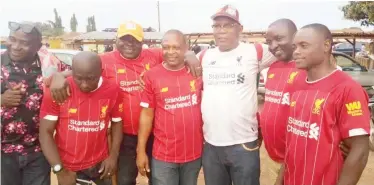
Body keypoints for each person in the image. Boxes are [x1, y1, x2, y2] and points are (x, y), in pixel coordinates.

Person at [48, 21, 200, 185]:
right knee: (124, 180)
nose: (130, 44)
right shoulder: (104, 60)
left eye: (135, 40)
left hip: (155, 134)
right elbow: (80, 70)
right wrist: (59, 76)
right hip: (123, 136)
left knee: (158, 178)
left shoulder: (154, 55)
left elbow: (176, 48)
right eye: (124, 39)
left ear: (143, 42)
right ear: (116, 40)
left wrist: (190, 55)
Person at [278, 23, 370, 185]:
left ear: (326, 45)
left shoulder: (347, 89)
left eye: (303, 46)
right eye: (295, 47)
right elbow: (293, 141)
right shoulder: (296, 82)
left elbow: (359, 150)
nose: (296, 52)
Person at [199, 5, 276, 185]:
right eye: (217, 26)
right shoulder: (204, 56)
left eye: (228, 25)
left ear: (240, 29)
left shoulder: (255, 52)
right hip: (211, 145)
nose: (221, 31)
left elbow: (288, 51)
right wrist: (188, 54)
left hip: (244, 144)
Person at [39, 51, 123, 185]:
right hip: (68, 168)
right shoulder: (58, 91)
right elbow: (45, 134)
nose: (84, 84)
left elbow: (117, 123)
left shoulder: (112, 90)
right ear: (73, 72)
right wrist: (59, 170)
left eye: (91, 79)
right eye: (79, 78)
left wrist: (113, 157)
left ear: (101, 72)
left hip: (100, 164)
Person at [0, 21, 66, 185]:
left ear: (38, 46)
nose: (15, 46)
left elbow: (80, 70)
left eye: (24, 43)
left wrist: (60, 76)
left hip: (37, 151)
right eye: (12, 39)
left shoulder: (48, 63)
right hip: (3, 153)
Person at [136, 30, 203, 185]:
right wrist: (141, 151)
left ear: (186, 48)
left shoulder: (197, 72)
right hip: (163, 156)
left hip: (193, 153)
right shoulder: (151, 76)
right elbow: (146, 115)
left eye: (176, 47)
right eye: (166, 47)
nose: (171, 52)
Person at [260, 19, 303, 164]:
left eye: (279, 39)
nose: (273, 46)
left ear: (296, 36)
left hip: (298, 158)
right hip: (273, 157)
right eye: (268, 42)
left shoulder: (308, 69)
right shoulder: (272, 68)